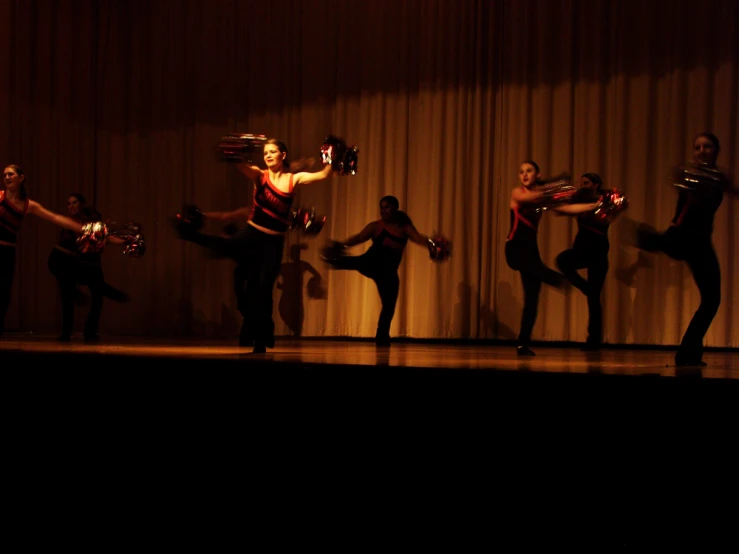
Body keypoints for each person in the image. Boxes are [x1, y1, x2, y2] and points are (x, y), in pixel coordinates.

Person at [175, 138, 334, 353]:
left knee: (263, 290)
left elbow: (323, 175)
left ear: (283, 155)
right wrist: (232, 151)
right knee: (224, 246)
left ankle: (260, 341)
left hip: (273, 242)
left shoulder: (293, 179)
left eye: (272, 151)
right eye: (265, 152)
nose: (267, 155)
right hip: (251, 235)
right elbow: (240, 166)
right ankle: (189, 234)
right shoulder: (259, 175)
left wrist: (332, 157)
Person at [624, 132, 737, 366]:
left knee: (712, 299)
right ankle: (649, 238)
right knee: (676, 247)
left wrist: (722, 182)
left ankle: (688, 353)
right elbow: (689, 189)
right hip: (684, 235)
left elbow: (731, 189)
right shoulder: (692, 177)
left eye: (707, 147)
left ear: (716, 150)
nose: (701, 151)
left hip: (699, 240)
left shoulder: (716, 179)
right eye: (697, 147)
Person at [505, 160, 601, 356]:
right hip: (515, 249)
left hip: (531, 251)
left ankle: (522, 343)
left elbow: (565, 209)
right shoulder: (517, 193)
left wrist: (594, 205)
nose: (524, 175)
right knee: (542, 273)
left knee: (532, 298)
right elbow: (536, 196)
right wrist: (556, 185)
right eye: (521, 171)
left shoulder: (542, 198)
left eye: (529, 171)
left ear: (537, 175)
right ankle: (556, 279)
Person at [320, 195, 438, 347]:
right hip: (372, 262)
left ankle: (382, 336)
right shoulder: (376, 226)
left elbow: (418, 238)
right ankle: (334, 260)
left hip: (388, 271)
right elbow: (358, 238)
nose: (383, 210)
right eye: (381, 207)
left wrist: (432, 243)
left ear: (395, 208)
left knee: (389, 305)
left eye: (387, 207)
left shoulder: (404, 227)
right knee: (358, 262)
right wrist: (342, 245)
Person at [1, 164, 85, 339]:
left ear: (21, 178)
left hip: (8, 253)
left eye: (10, 174)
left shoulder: (28, 205)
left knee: (3, 294)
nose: (7, 178)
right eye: (4, 175)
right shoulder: (0, 197)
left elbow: (54, 217)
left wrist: (83, 229)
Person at [47, 193, 129, 342]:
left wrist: (125, 241)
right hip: (70, 263)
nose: (71, 206)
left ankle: (90, 332)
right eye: (69, 203)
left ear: (82, 204)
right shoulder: (68, 223)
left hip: (89, 263)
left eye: (74, 203)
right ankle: (66, 332)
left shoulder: (92, 219)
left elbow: (105, 237)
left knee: (97, 296)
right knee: (67, 295)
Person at [555, 173, 611, 351]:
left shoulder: (605, 201)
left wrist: (591, 204)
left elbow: (604, 216)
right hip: (581, 250)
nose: (582, 185)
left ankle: (594, 341)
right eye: (581, 183)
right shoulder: (580, 200)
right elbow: (561, 209)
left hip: (598, 252)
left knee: (594, 299)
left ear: (596, 184)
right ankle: (585, 287)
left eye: (586, 183)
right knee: (563, 260)